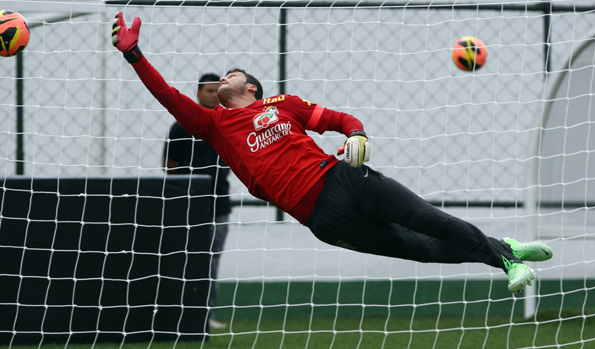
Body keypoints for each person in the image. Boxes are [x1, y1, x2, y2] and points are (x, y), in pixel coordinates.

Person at [112, 12, 553, 294]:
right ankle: (504, 249)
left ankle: (505, 260)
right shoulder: (214, 125)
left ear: (251, 88)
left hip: (344, 179)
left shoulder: (281, 104)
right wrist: (134, 54)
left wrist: (358, 135)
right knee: (420, 248)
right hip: (322, 219)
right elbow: (167, 95)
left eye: (232, 73)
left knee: (427, 219)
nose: (222, 77)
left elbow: (339, 119)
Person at [162, 73, 232, 329]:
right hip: (187, 208)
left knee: (212, 261)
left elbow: (232, 162)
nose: (214, 95)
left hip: (219, 206)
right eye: (209, 90)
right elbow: (169, 166)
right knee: (184, 259)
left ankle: (207, 315)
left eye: (218, 91)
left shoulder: (227, 123)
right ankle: (180, 313)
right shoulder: (181, 126)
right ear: (198, 93)